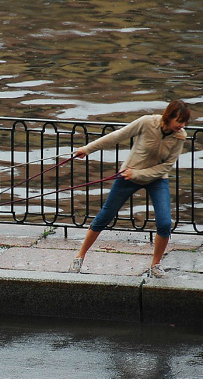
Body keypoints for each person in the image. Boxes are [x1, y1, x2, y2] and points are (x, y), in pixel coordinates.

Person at [68, 100, 190, 277]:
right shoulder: (147, 122)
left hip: (156, 178)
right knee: (105, 216)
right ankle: (79, 257)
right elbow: (117, 136)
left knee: (164, 223)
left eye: (185, 122)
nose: (182, 125)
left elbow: (166, 167)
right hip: (127, 175)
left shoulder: (180, 136)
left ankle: (156, 265)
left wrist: (138, 175)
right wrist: (87, 149)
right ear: (168, 117)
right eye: (179, 121)